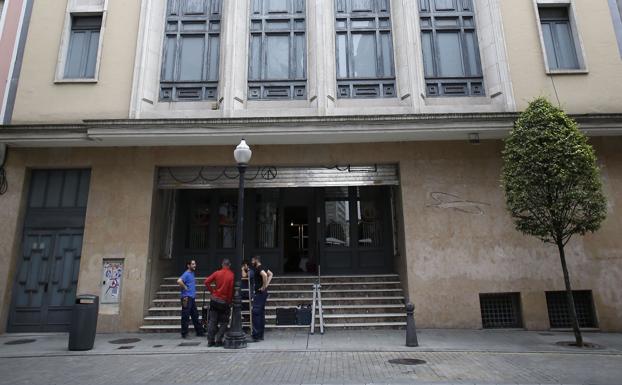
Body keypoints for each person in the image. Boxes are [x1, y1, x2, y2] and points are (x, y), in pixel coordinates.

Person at [204, 258, 234, 347]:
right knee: (224, 322)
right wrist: (229, 301)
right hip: (224, 301)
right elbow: (230, 290)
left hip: (214, 300)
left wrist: (212, 291)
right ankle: (218, 340)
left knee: (212, 321)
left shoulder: (217, 273)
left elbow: (206, 282)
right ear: (229, 265)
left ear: (222, 264)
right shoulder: (231, 275)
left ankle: (210, 341)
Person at [177, 260, 204, 338]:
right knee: (185, 316)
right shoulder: (186, 274)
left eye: (195, 264)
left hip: (191, 298)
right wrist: (185, 287)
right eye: (193, 264)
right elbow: (179, 281)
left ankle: (199, 332)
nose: (195, 265)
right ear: (188, 266)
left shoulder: (192, 273)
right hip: (186, 297)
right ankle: (184, 333)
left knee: (195, 315)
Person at [250, 255, 273, 342]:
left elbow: (264, 275)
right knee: (261, 313)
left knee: (256, 313)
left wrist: (264, 286)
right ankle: (260, 335)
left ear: (256, 260)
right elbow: (271, 274)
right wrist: (266, 285)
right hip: (263, 294)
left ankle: (256, 335)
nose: (252, 262)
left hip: (259, 293)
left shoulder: (259, 268)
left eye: (252, 260)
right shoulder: (263, 267)